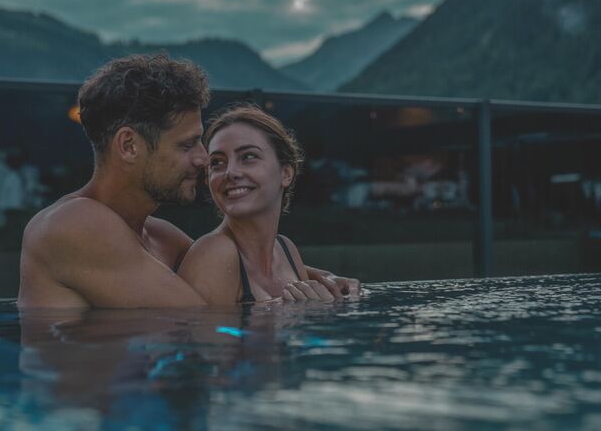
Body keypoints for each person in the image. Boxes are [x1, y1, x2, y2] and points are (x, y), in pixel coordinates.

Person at [18, 54, 357, 309]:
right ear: (129, 145)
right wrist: (302, 309)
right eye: (186, 144)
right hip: (77, 405)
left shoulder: (158, 236)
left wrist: (319, 279)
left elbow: (247, 260)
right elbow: (199, 321)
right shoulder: (73, 224)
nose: (202, 158)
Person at [178, 104, 359, 305]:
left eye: (248, 157)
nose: (230, 172)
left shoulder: (285, 250)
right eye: (217, 163)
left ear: (286, 173)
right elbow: (205, 335)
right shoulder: (214, 253)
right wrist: (279, 314)